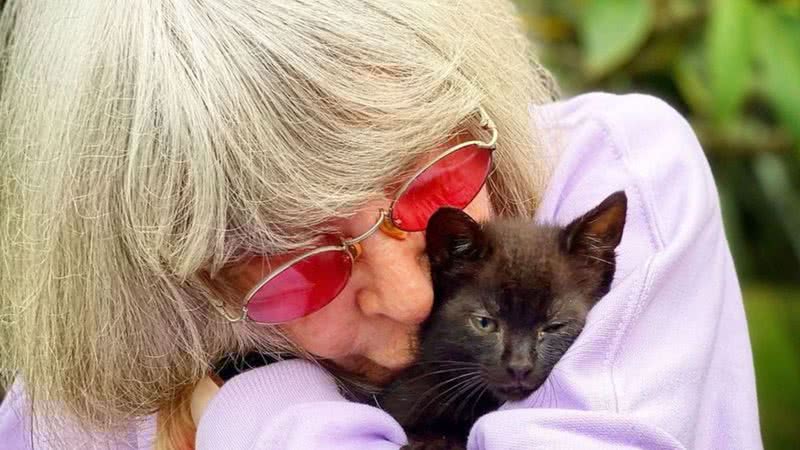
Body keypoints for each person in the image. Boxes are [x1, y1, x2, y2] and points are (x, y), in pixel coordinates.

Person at [0, 1, 761, 449]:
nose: (409, 298)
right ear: (182, 278)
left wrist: (253, 402)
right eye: (301, 262)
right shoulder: (82, 402)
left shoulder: (609, 174)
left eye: (433, 187)